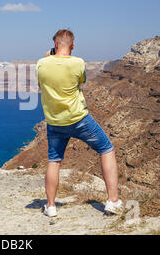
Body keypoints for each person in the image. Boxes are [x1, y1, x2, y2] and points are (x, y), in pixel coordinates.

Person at [36, 29, 123, 217]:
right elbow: (80, 81)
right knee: (106, 149)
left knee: (54, 160)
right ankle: (113, 201)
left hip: (55, 121)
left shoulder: (41, 64)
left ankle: (50, 206)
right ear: (73, 45)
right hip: (78, 119)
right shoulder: (78, 63)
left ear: (55, 44)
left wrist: (50, 56)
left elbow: (40, 84)